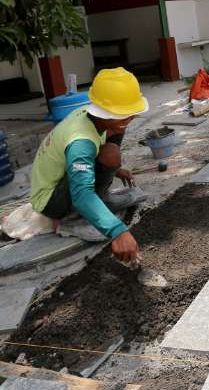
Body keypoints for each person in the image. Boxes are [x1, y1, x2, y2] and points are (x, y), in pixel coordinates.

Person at [29, 68, 148, 263]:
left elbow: (96, 149)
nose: (131, 118)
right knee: (110, 153)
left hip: (63, 181)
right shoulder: (80, 142)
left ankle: (99, 201)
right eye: (124, 113)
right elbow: (81, 193)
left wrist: (114, 170)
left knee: (115, 136)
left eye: (131, 113)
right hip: (50, 200)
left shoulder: (95, 117)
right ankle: (73, 219)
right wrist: (117, 232)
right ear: (104, 110)